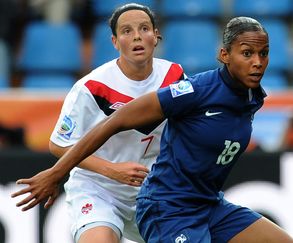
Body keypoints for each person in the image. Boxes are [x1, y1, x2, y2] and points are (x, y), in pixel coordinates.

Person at [12, 16, 293, 243]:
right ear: (224, 55)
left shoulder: (250, 95)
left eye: (264, 53)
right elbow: (116, 121)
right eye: (247, 53)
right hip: (165, 207)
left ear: (155, 35)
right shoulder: (193, 90)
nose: (258, 62)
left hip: (205, 204)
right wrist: (56, 173)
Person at [38, 3, 185, 243]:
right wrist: (111, 170)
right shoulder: (91, 87)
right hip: (99, 189)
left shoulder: (175, 76)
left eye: (144, 28)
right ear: (115, 42)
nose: (137, 36)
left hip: (154, 191)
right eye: (126, 31)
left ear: (156, 35)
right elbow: (59, 144)